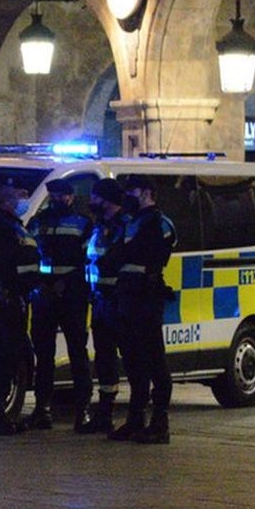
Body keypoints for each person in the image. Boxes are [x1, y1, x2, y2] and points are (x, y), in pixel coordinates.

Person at [111, 174, 177, 444]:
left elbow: (148, 253)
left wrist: (122, 254)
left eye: (132, 190)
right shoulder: (132, 222)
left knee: (154, 359)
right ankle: (136, 418)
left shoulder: (159, 222)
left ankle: (160, 423)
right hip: (127, 296)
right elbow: (116, 254)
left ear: (147, 192)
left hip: (147, 297)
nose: (128, 195)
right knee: (133, 360)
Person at [25, 178, 93, 430]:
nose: (56, 199)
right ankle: (42, 409)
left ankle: (83, 410)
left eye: (61, 195)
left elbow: (87, 260)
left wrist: (66, 282)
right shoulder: (37, 222)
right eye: (52, 195)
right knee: (43, 355)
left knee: (77, 353)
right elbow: (29, 254)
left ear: (70, 197)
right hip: (44, 294)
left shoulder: (82, 223)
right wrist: (40, 283)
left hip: (72, 294)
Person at [0, 178, 39, 435]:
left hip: (15, 297)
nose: (25, 199)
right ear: (7, 198)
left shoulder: (13, 224)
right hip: (3, 300)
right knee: (0, 357)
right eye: (21, 194)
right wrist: (8, 292)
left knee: (10, 355)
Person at [79, 178, 131, 434]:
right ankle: (105, 413)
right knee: (104, 359)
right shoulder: (99, 226)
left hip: (120, 302)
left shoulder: (126, 226)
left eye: (95, 197)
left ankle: (136, 416)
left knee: (131, 357)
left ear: (108, 200)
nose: (91, 201)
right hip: (101, 301)